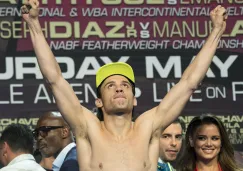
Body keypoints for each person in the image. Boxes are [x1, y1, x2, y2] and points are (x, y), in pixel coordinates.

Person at [21, 1, 227, 170]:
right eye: (110, 86)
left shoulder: (149, 126)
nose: (119, 88)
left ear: (134, 97)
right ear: (99, 101)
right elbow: (54, 79)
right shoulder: (87, 128)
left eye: (125, 85)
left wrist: (217, 31)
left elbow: (189, 82)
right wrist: (33, 24)